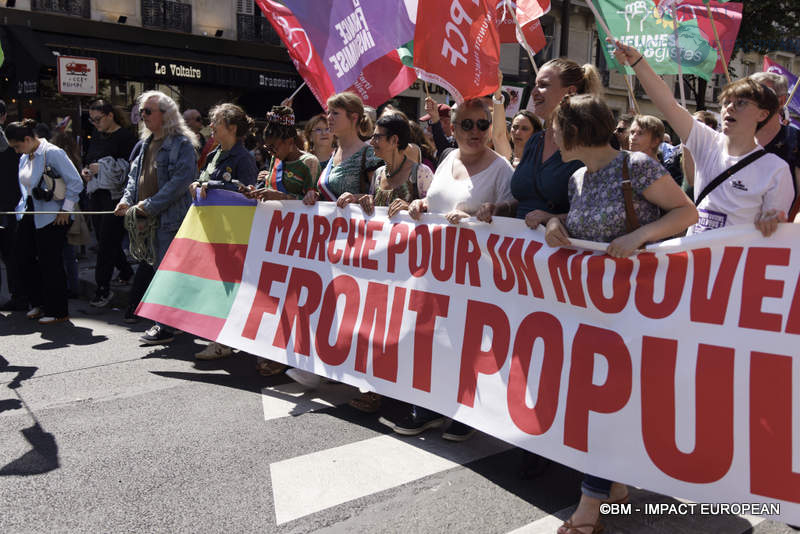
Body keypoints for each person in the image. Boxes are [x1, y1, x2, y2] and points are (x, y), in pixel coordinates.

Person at [543, 93, 697, 534]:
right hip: (594, 311)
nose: (552, 135)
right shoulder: (577, 180)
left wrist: (641, 236)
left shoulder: (638, 166)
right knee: (602, 404)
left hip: (639, 312)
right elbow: (579, 226)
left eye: (557, 128)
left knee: (605, 403)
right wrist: (556, 225)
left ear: (574, 131)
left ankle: (590, 511)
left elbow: (686, 212)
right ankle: (612, 489)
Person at [386, 98, 515, 441]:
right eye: (467, 125)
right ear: (453, 129)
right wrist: (420, 203)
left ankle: (469, 411)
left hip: (478, 277)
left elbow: (513, 214)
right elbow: (436, 201)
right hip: (436, 271)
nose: (476, 132)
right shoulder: (445, 160)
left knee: (470, 341)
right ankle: (428, 407)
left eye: (483, 124)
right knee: (432, 337)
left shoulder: (502, 168)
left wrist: (491, 210)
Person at [613, 40, 793, 237]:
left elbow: (775, 234)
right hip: (695, 260)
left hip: (735, 264)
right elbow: (668, 104)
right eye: (726, 102)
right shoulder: (707, 142)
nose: (729, 108)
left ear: (762, 114)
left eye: (741, 103)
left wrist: (772, 220)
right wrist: (638, 62)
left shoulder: (776, 170)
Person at [337, 112, 434, 412]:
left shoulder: (421, 174)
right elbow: (375, 210)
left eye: (378, 136)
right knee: (377, 324)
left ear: (395, 140)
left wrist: (414, 208)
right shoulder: (378, 174)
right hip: (383, 268)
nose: (373, 141)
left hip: (413, 269)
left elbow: (435, 217)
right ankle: (374, 386)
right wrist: (359, 200)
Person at [114, 90, 199, 341]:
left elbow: (180, 183)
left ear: (167, 114)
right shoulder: (146, 143)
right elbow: (134, 177)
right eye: (141, 112)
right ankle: (174, 321)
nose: (142, 116)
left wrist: (147, 205)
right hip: (148, 221)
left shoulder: (182, 144)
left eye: (147, 111)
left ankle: (164, 326)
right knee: (161, 272)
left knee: (165, 274)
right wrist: (126, 200)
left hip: (169, 220)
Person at [186, 103, 258, 359]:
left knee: (228, 288)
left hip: (232, 235)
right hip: (213, 231)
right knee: (216, 287)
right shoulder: (215, 153)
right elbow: (204, 180)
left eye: (216, 122)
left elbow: (248, 193)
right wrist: (197, 184)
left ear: (232, 128)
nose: (211, 126)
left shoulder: (243, 159)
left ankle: (223, 342)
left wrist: (212, 185)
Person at [5, 119, 84, 324]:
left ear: (28, 138)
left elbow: (76, 181)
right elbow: (25, 189)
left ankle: (57, 310)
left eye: (17, 145)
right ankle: (38, 302)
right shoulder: (26, 155)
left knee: (51, 262)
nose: (16, 150)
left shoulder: (53, 152)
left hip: (54, 213)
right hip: (30, 211)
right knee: (23, 258)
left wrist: (66, 210)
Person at [511, 57, 604, 227]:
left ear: (570, 92)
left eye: (543, 85)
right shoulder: (534, 141)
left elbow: (600, 212)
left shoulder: (590, 144)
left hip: (560, 248)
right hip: (519, 248)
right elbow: (525, 200)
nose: (534, 92)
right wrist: (498, 208)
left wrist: (552, 218)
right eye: (535, 84)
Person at [83, 100, 138, 308]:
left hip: (115, 196)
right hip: (96, 192)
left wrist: (105, 168)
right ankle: (125, 271)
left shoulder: (125, 137)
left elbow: (131, 167)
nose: (95, 124)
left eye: (97, 119)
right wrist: (87, 171)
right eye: (92, 120)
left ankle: (102, 289)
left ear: (110, 115)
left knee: (107, 242)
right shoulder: (97, 135)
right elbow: (88, 159)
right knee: (104, 238)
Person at [306, 91, 382, 205]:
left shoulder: (370, 156)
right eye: (328, 112)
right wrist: (316, 196)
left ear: (354, 117)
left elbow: (382, 198)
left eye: (335, 113)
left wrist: (356, 198)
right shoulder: (334, 153)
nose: (329, 118)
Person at [749, 72, 800, 218]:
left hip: (776, 234)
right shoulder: (728, 138)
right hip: (729, 234)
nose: (751, 101)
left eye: (760, 95)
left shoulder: (795, 141)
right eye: (748, 94)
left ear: (781, 101)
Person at [0, 99, 24, 311]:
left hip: (9, 205)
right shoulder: (12, 144)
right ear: (4, 117)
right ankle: (18, 296)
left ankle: (18, 296)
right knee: (12, 255)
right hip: (12, 205)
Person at [421, 98, 455, 166]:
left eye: (430, 122)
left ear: (446, 122)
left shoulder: (457, 145)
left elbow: (443, 147)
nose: (427, 128)